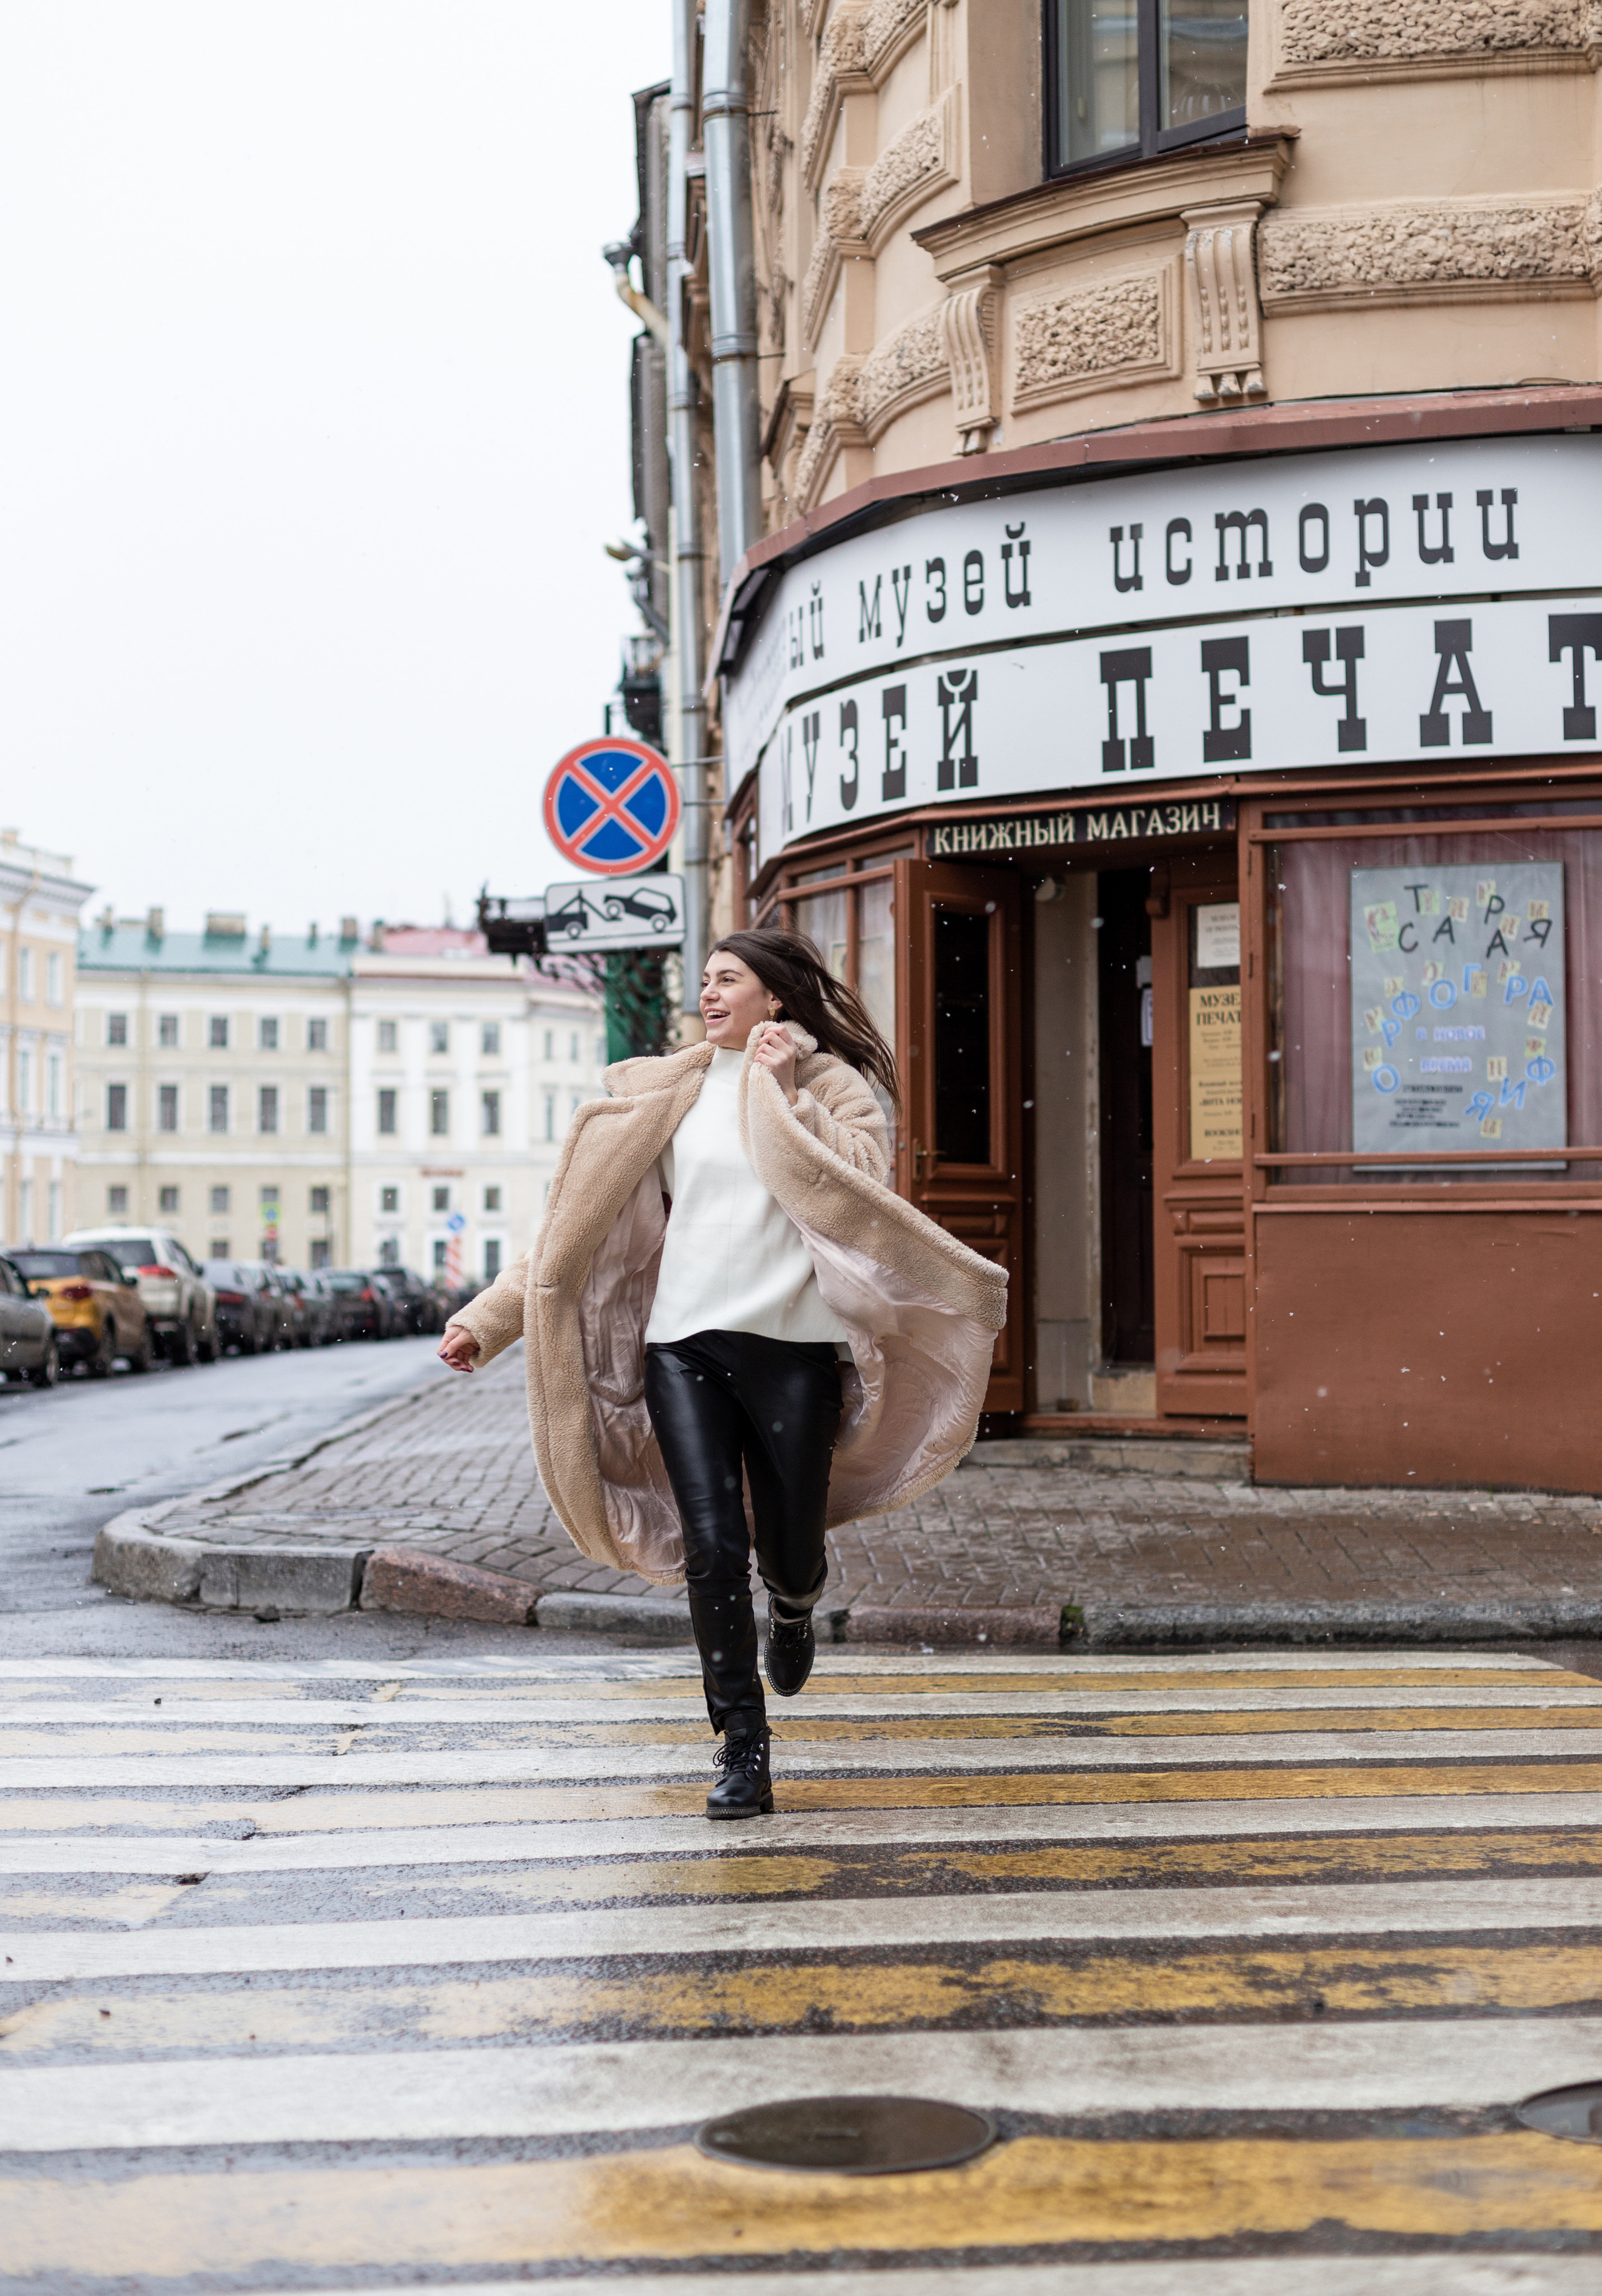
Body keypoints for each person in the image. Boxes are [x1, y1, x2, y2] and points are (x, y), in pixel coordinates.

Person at [439, 928, 1006, 1817]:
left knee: (789, 1542)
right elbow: (568, 1231)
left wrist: (781, 1094)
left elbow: (861, 1188)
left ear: (775, 997)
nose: (709, 994)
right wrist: (489, 1320)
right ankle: (743, 1744)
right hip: (684, 1347)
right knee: (711, 1547)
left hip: (793, 1350)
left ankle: (794, 1604)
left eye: (728, 980)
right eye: (704, 980)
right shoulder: (668, 1091)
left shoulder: (829, 1087)